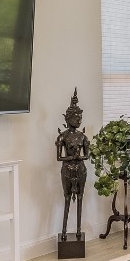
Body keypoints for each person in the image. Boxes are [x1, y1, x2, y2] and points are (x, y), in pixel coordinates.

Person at [56, 88, 90, 239]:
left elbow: (87, 155)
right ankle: (64, 231)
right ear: (68, 118)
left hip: (81, 170)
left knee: (81, 198)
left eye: (80, 117)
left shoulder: (83, 137)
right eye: (77, 117)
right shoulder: (62, 137)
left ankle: (78, 229)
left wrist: (79, 157)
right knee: (67, 198)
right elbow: (59, 158)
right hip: (67, 170)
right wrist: (71, 158)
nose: (79, 120)